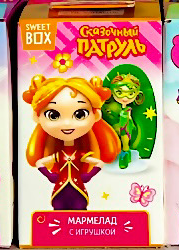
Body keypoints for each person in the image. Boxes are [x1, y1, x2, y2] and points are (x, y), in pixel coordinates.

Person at [23, 75, 121, 210]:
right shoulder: (59, 155)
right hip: (59, 190)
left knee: (80, 212)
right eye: (53, 115)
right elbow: (40, 163)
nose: (67, 123)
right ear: (37, 117)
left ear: (96, 115)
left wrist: (89, 175)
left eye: (80, 115)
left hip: (78, 189)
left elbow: (99, 163)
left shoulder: (80, 154)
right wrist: (49, 175)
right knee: (58, 211)